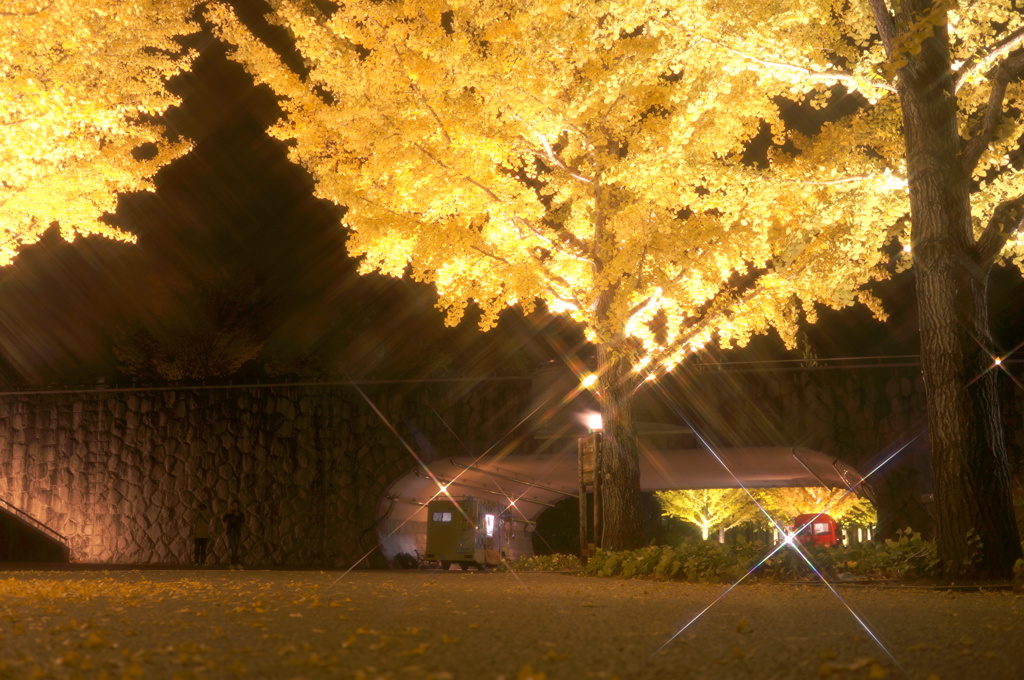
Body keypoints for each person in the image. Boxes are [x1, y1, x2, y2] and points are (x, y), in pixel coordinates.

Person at [222, 500, 246, 569]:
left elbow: (243, 521)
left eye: (236, 505)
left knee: (235, 547)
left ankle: (233, 563)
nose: (234, 506)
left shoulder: (240, 513)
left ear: (238, 506)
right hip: (230, 532)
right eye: (233, 505)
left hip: (237, 532)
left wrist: (238, 516)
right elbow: (224, 520)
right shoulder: (229, 513)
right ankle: (237, 563)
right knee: (233, 547)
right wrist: (227, 514)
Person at [191, 502, 212, 566]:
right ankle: (196, 562)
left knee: (203, 550)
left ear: (205, 510)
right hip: (197, 535)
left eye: (203, 509)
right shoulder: (197, 516)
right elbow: (192, 521)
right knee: (197, 550)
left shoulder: (207, 516)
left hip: (204, 536)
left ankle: (203, 562)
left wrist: (203, 514)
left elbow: (207, 521)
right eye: (200, 509)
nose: (201, 510)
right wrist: (197, 513)